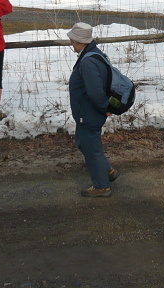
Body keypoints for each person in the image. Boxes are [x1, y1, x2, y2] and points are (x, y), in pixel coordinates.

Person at [67, 22, 118, 198]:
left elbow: (95, 91)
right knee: (83, 141)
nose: (71, 44)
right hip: (87, 112)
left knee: (91, 148)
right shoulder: (93, 54)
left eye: (73, 40)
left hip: (88, 113)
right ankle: (107, 170)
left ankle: (102, 186)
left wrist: (104, 107)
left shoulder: (88, 62)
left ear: (82, 41)